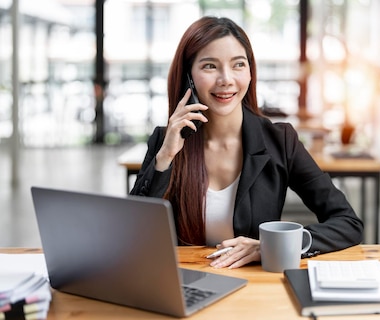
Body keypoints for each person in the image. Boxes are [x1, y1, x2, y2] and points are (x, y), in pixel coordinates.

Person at [130, 16, 363, 269]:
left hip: (256, 285)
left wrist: (273, 245)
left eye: (238, 65)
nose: (226, 79)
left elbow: (348, 223)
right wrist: (165, 158)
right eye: (210, 66)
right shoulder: (166, 141)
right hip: (185, 284)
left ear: (250, 72)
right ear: (189, 77)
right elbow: (133, 236)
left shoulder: (280, 140)